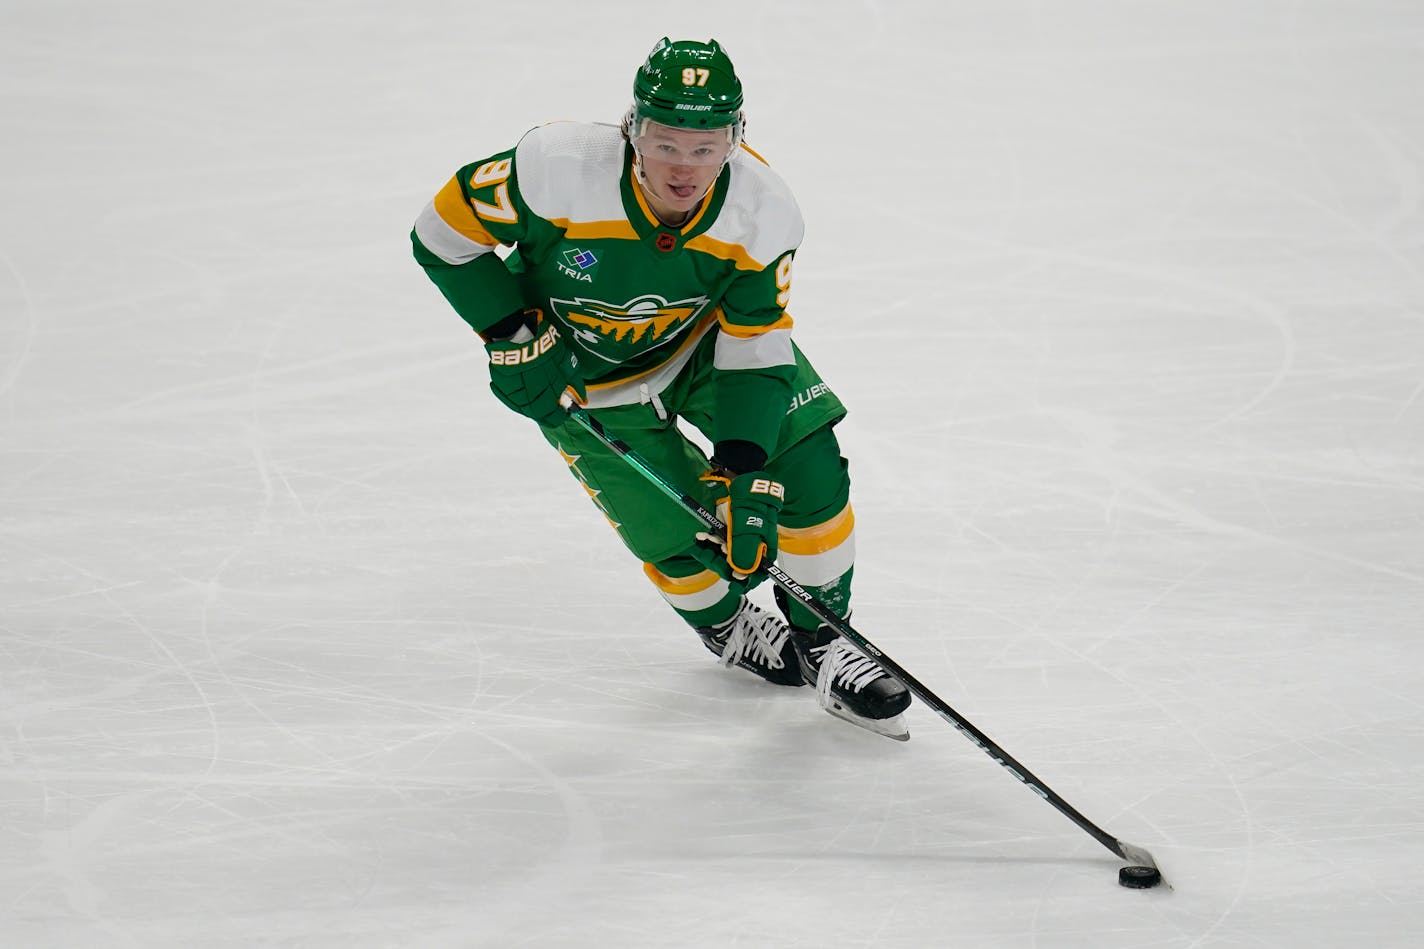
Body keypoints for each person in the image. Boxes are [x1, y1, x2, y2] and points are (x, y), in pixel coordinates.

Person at [411, 38, 910, 738]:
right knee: (672, 530)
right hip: (582, 377)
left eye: (705, 147)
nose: (685, 167)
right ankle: (725, 622)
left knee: (806, 471)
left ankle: (824, 636)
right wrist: (511, 333)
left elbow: (756, 339)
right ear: (631, 129)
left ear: (735, 139)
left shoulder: (763, 211)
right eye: (665, 142)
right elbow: (441, 236)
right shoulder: (554, 169)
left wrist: (743, 465)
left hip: (706, 347)